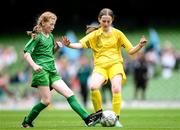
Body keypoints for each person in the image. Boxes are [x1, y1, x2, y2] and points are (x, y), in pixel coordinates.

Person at [62, 8, 147, 127]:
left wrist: (140, 45)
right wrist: (69, 45)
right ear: (99, 20)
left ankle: (116, 119)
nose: (106, 23)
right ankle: (98, 116)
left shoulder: (118, 34)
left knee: (116, 88)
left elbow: (131, 51)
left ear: (112, 20)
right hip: (100, 67)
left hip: (115, 64)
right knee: (93, 86)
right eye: (103, 21)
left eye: (108, 21)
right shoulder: (94, 34)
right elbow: (80, 44)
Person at [21, 11, 101, 128]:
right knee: (46, 101)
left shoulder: (51, 36)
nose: (53, 27)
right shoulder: (37, 36)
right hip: (41, 71)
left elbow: (49, 53)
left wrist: (57, 48)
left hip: (52, 71)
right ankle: (27, 121)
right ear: (43, 23)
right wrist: (34, 66)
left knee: (69, 94)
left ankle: (87, 119)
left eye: (54, 24)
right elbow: (26, 53)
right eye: (51, 24)